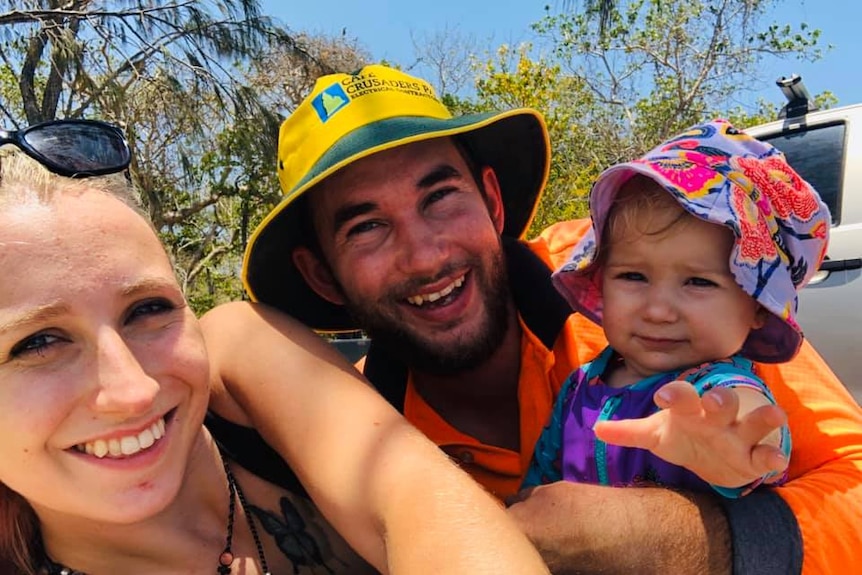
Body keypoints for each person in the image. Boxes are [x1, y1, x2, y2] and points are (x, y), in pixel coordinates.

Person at [207, 64, 862, 573]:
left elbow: (852, 482)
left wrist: (684, 543)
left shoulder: (639, 273)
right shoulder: (346, 431)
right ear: (323, 275)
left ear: (491, 201)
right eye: (367, 227)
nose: (426, 254)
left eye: (440, 197)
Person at [0, 119, 552, 575]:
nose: (132, 390)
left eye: (148, 309)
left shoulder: (241, 358)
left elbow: (415, 501)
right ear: (320, 274)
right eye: (37, 342)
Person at [524, 119, 832, 497]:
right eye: (633, 276)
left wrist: (733, 444)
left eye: (699, 282)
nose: (658, 311)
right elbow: (541, 474)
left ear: (758, 309)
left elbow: (749, 416)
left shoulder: (714, 386)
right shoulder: (580, 384)